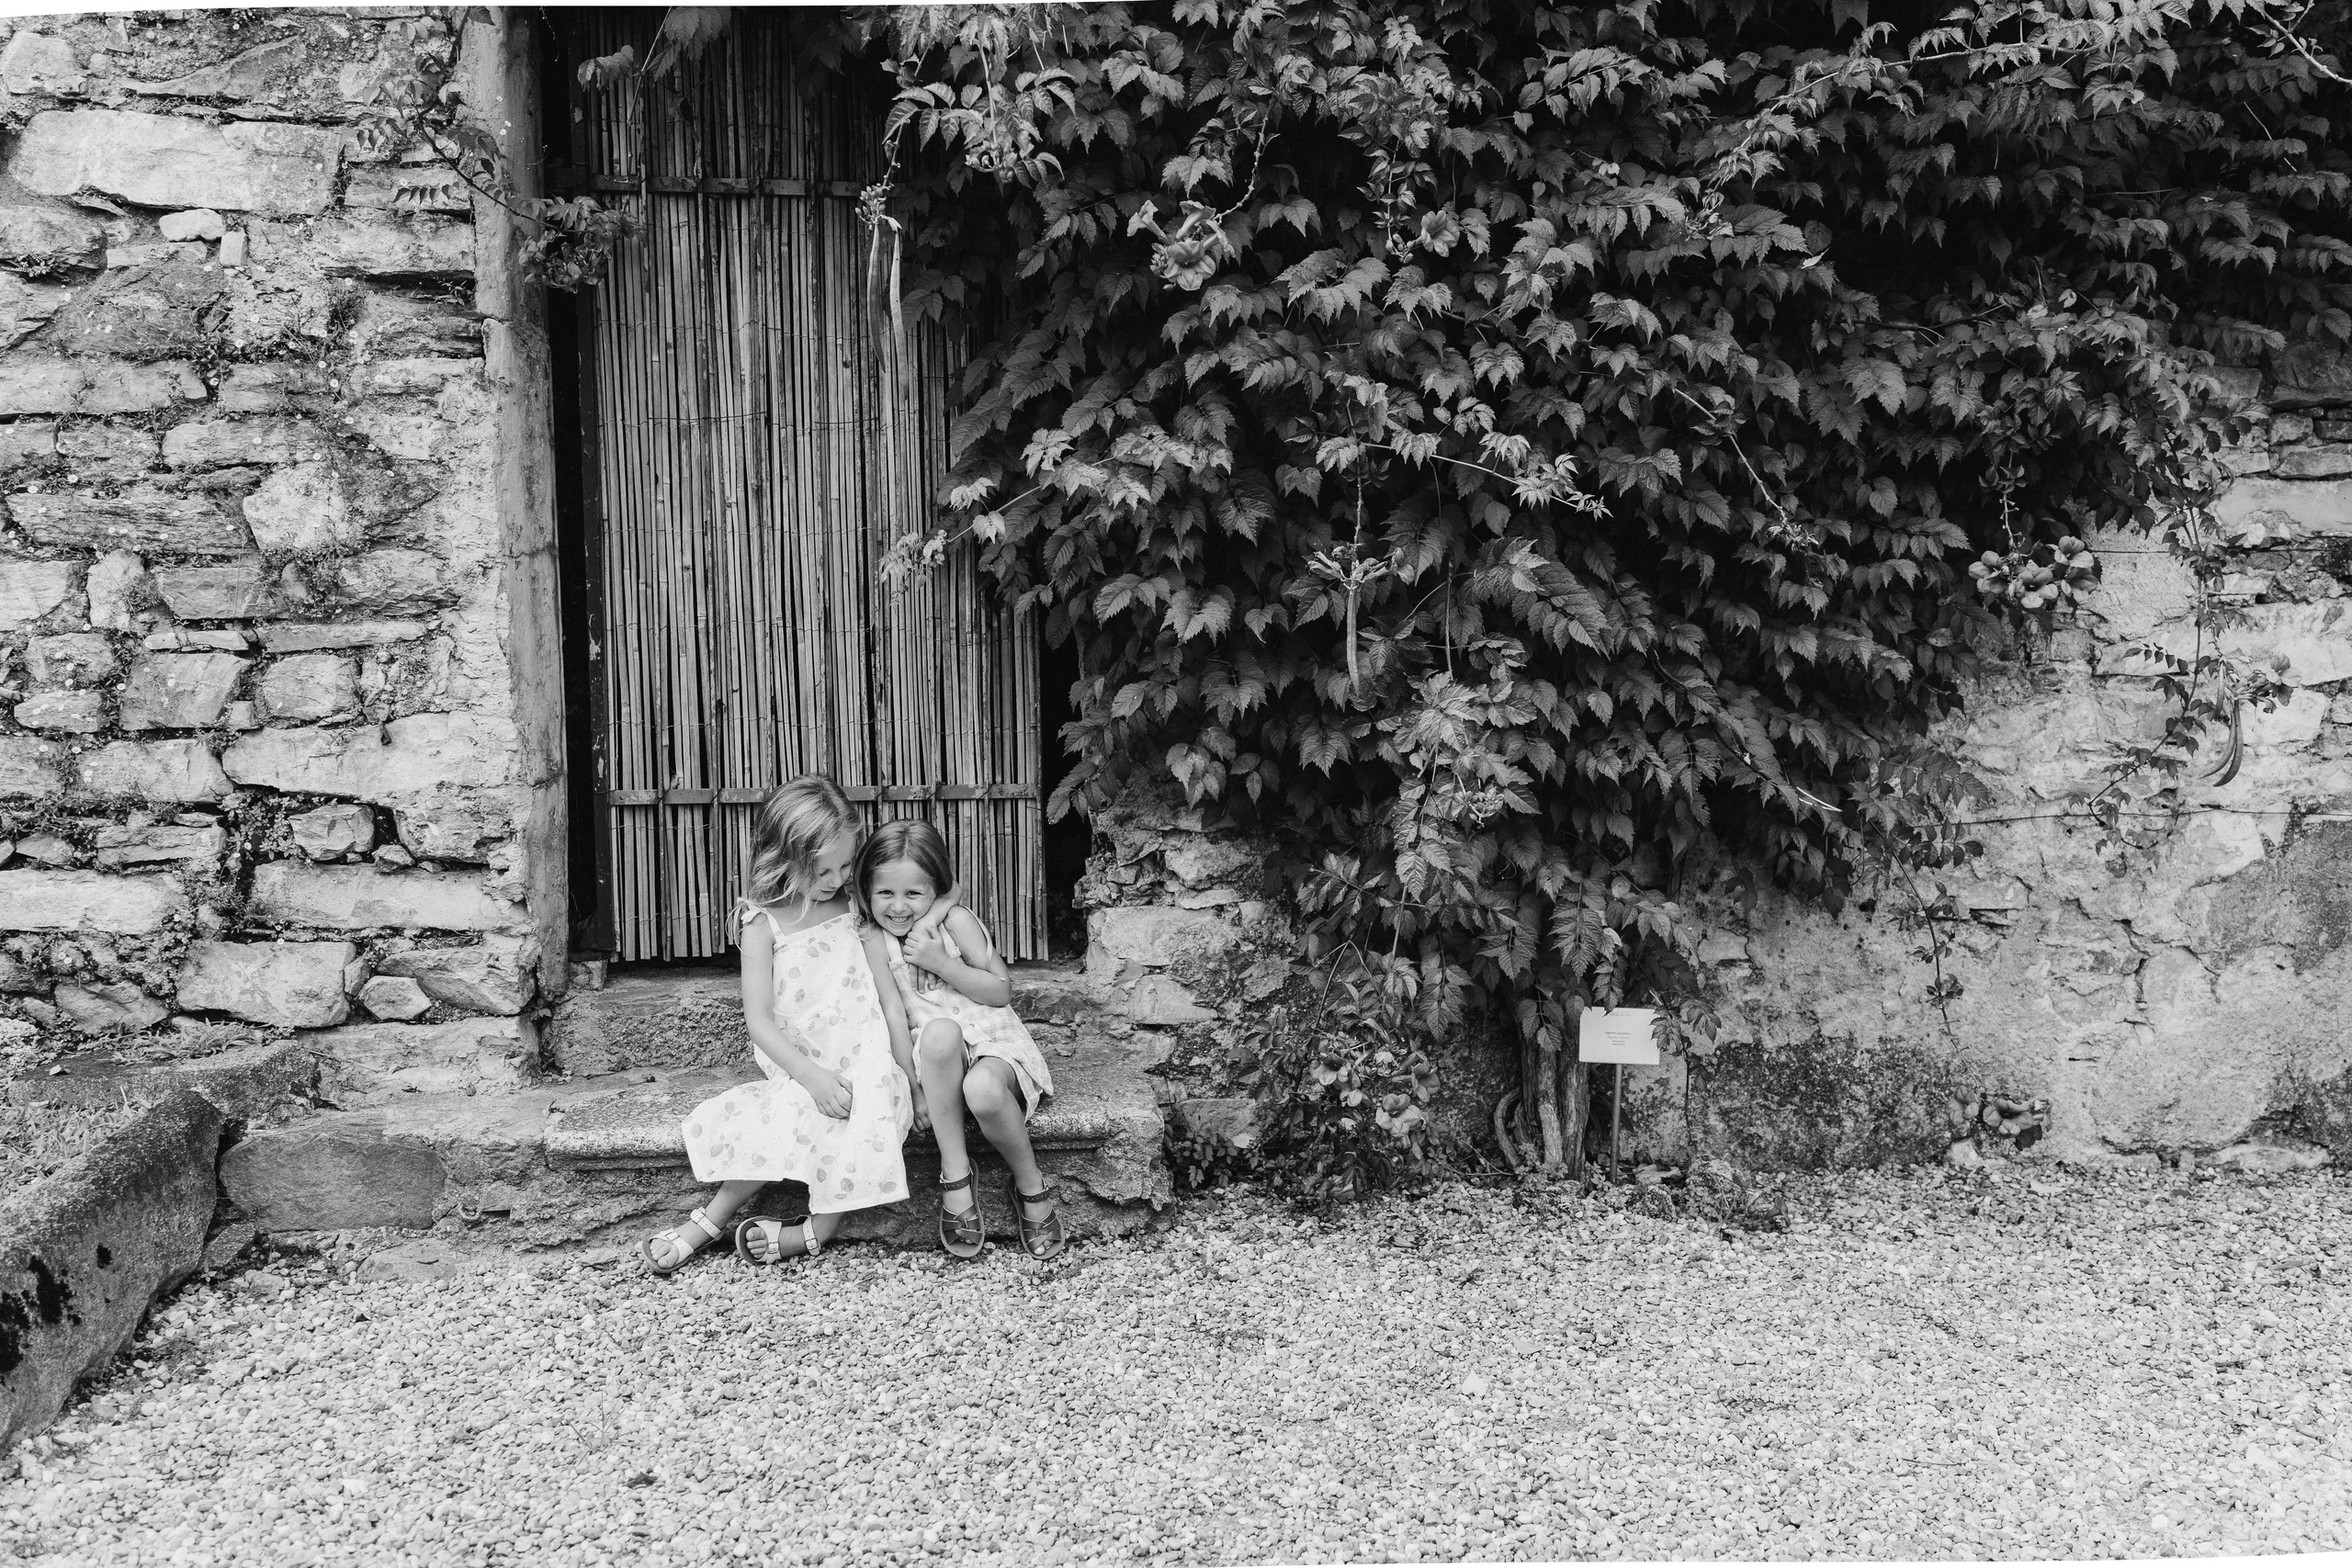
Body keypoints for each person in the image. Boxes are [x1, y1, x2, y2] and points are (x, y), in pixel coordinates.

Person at [640, 775, 918, 1272]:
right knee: (788, 1114)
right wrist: (810, 1078)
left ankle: (815, 1232)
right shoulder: (760, 922)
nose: (836, 879)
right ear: (784, 857)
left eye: (845, 864)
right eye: (822, 870)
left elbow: (889, 999)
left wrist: (912, 1084)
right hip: (804, 1061)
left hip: (870, 1052)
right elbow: (760, 1021)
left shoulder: (858, 907)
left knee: (864, 1113)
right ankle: (709, 1221)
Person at [854, 818, 1064, 1259]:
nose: (898, 906)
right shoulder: (873, 939)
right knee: (939, 1033)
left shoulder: (956, 921)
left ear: (935, 890)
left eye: (914, 893)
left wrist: (942, 962)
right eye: (885, 893)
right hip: (935, 1052)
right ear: (866, 891)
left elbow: (1000, 991)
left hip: (993, 1041)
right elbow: (894, 1012)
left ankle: (1029, 1183)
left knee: (984, 1092)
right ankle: (956, 1174)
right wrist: (914, 1089)